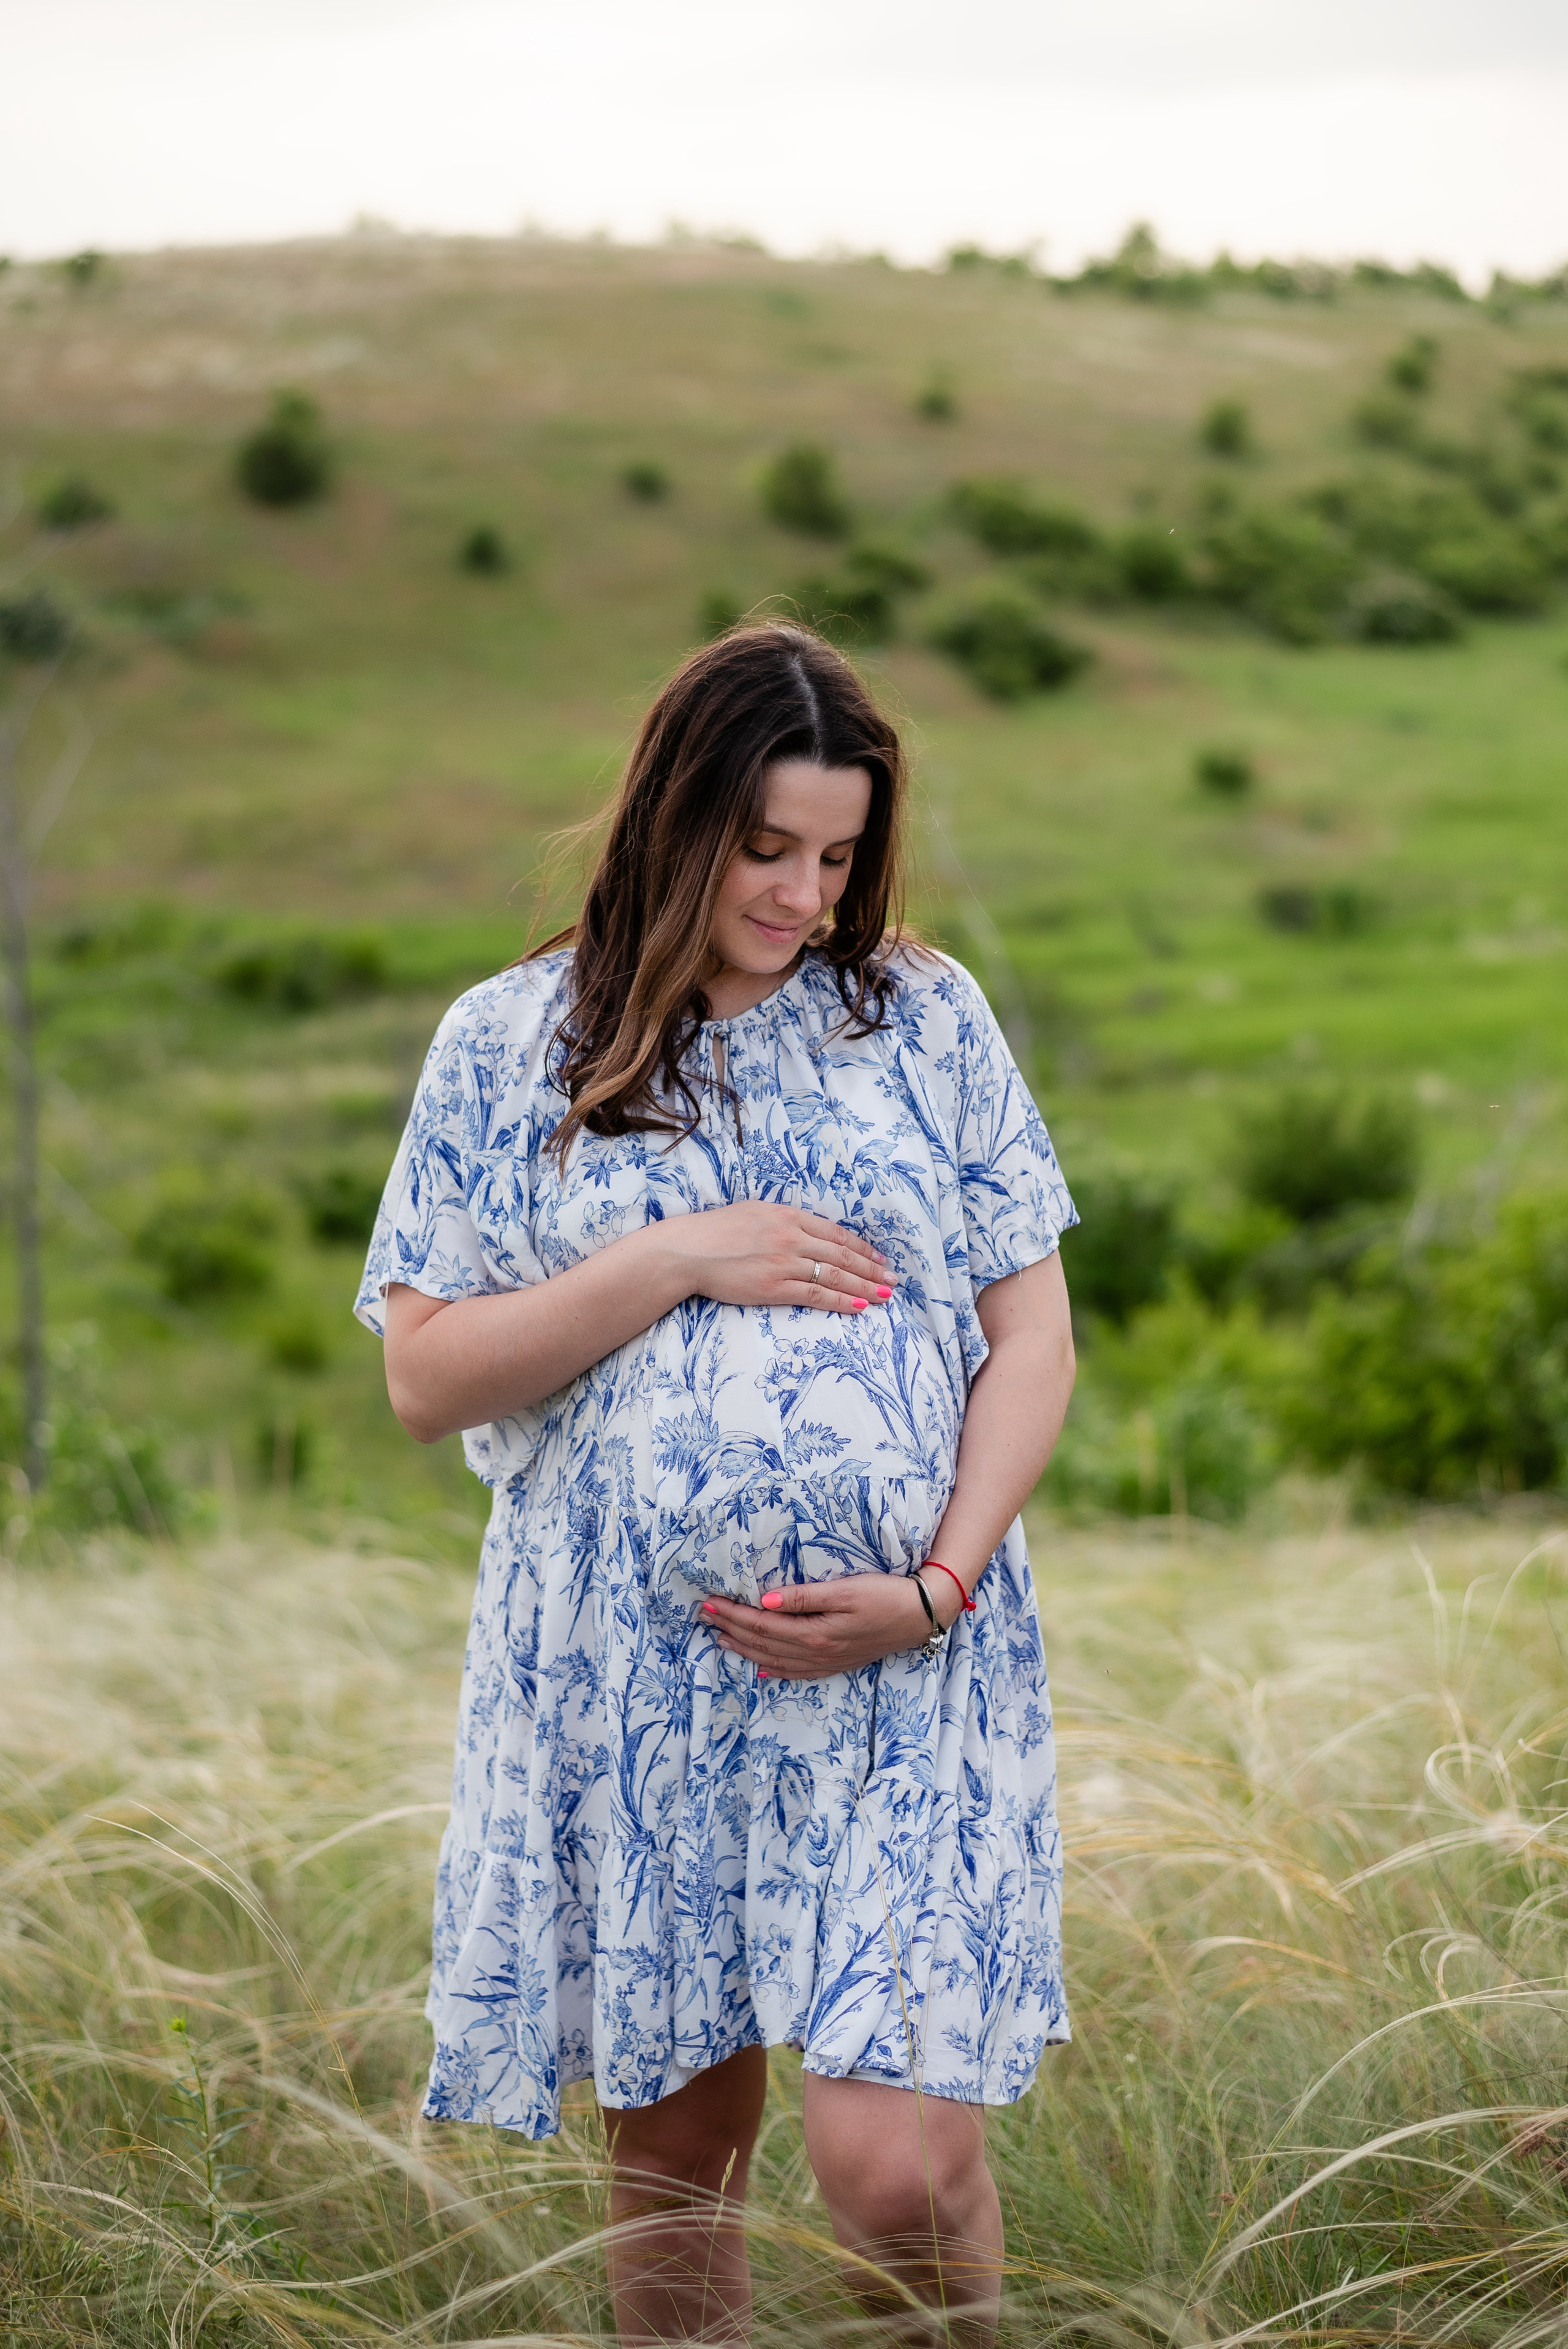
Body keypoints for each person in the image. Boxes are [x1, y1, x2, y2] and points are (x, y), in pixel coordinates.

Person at [356, 623, 1078, 2346]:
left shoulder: (922, 1015)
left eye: (836, 855)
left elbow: (1032, 1339)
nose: (802, 893)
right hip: (633, 1679)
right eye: (767, 847)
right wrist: (678, 1254)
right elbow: (425, 1367)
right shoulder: (513, 1041)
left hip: (907, 1653)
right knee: (678, 2173)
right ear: (675, 815)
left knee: (892, 2164)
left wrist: (940, 1580)